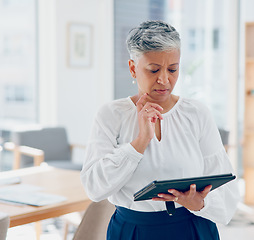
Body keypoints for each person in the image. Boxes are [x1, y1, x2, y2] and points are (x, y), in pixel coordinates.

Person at [80, 20, 240, 240]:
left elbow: (227, 192)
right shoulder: (111, 115)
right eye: (154, 69)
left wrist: (201, 203)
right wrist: (140, 142)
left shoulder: (197, 114)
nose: (164, 79)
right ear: (133, 68)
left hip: (192, 226)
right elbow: (94, 188)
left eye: (173, 69)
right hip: (132, 231)